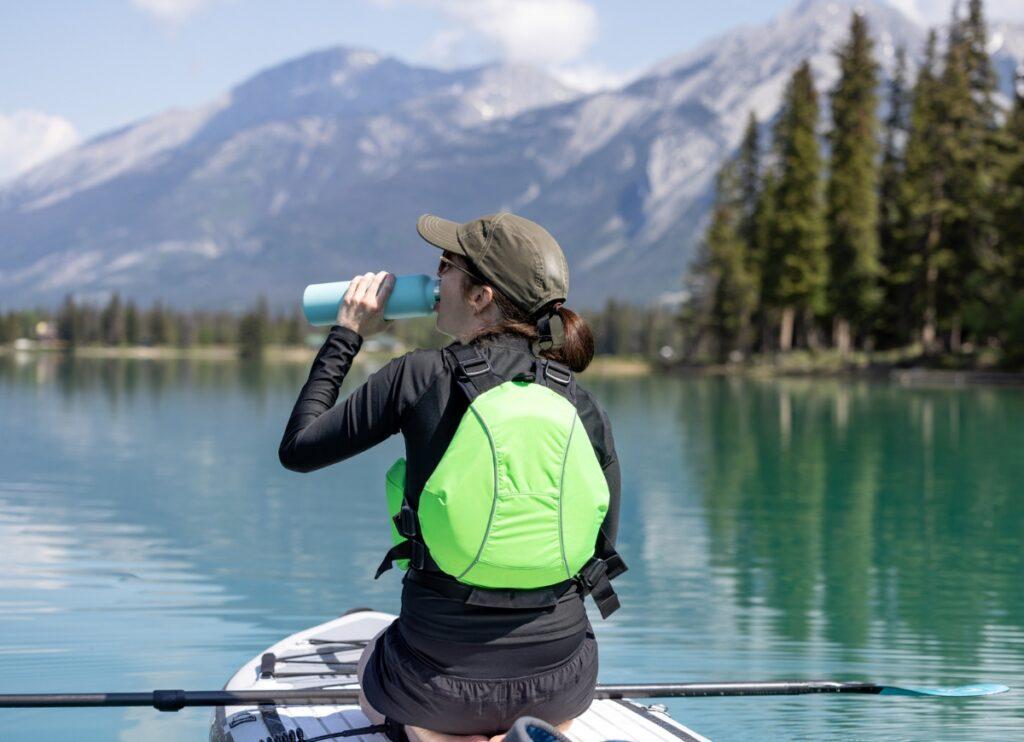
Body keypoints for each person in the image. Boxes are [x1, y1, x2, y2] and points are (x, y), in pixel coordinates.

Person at [278, 212, 626, 742]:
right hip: (562, 682)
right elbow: (601, 546)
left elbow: (299, 449)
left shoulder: (418, 376)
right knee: (532, 695)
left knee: (373, 664)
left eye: (445, 266)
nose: (435, 277)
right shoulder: (581, 402)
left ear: (481, 296)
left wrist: (347, 333)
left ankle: (447, 737)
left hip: (437, 687)